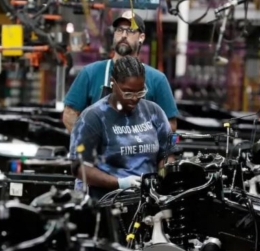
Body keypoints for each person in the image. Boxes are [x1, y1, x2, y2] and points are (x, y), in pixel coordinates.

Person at [69, 56, 172, 200]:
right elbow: (78, 168)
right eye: (128, 93)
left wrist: (162, 179)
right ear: (113, 83)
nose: (135, 98)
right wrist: (119, 183)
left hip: (147, 201)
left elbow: (167, 154)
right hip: (106, 203)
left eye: (140, 92)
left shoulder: (154, 112)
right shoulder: (93, 118)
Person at [63, 11, 178, 133]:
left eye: (130, 31)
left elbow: (170, 124)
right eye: (119, 30)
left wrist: (145, 142)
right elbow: (70, 114)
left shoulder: (157, 79)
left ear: (141, 37)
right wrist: (88, 143)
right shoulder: (90, 73)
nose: (123, 35)